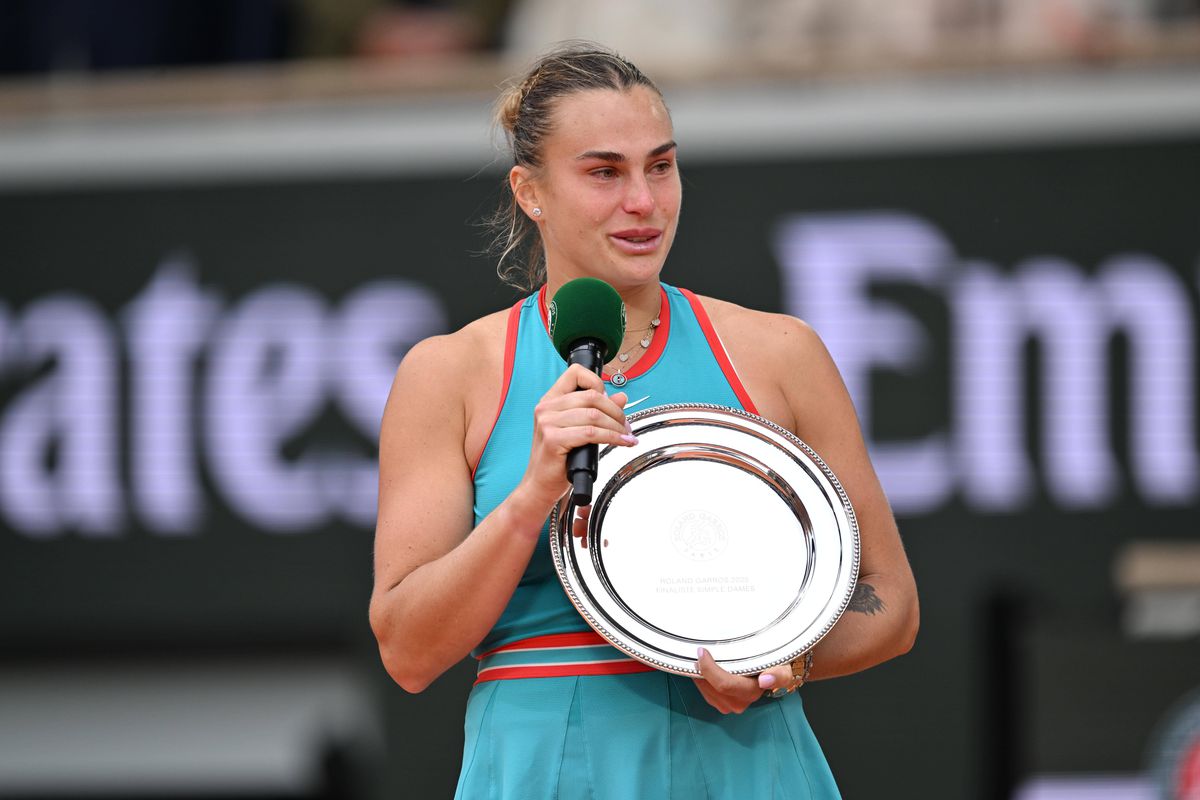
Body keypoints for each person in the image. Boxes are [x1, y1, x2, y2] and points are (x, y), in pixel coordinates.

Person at [369, 42, 919, 799]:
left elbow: (888, 600)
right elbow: (408, 649)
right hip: (544, 768)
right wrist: (531, 498)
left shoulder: (782, 354)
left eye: (660, 166)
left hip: (746, 758)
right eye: (604, 172)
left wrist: (786, 661)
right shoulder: (449, 374)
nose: (644, 202)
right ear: (529, 191)